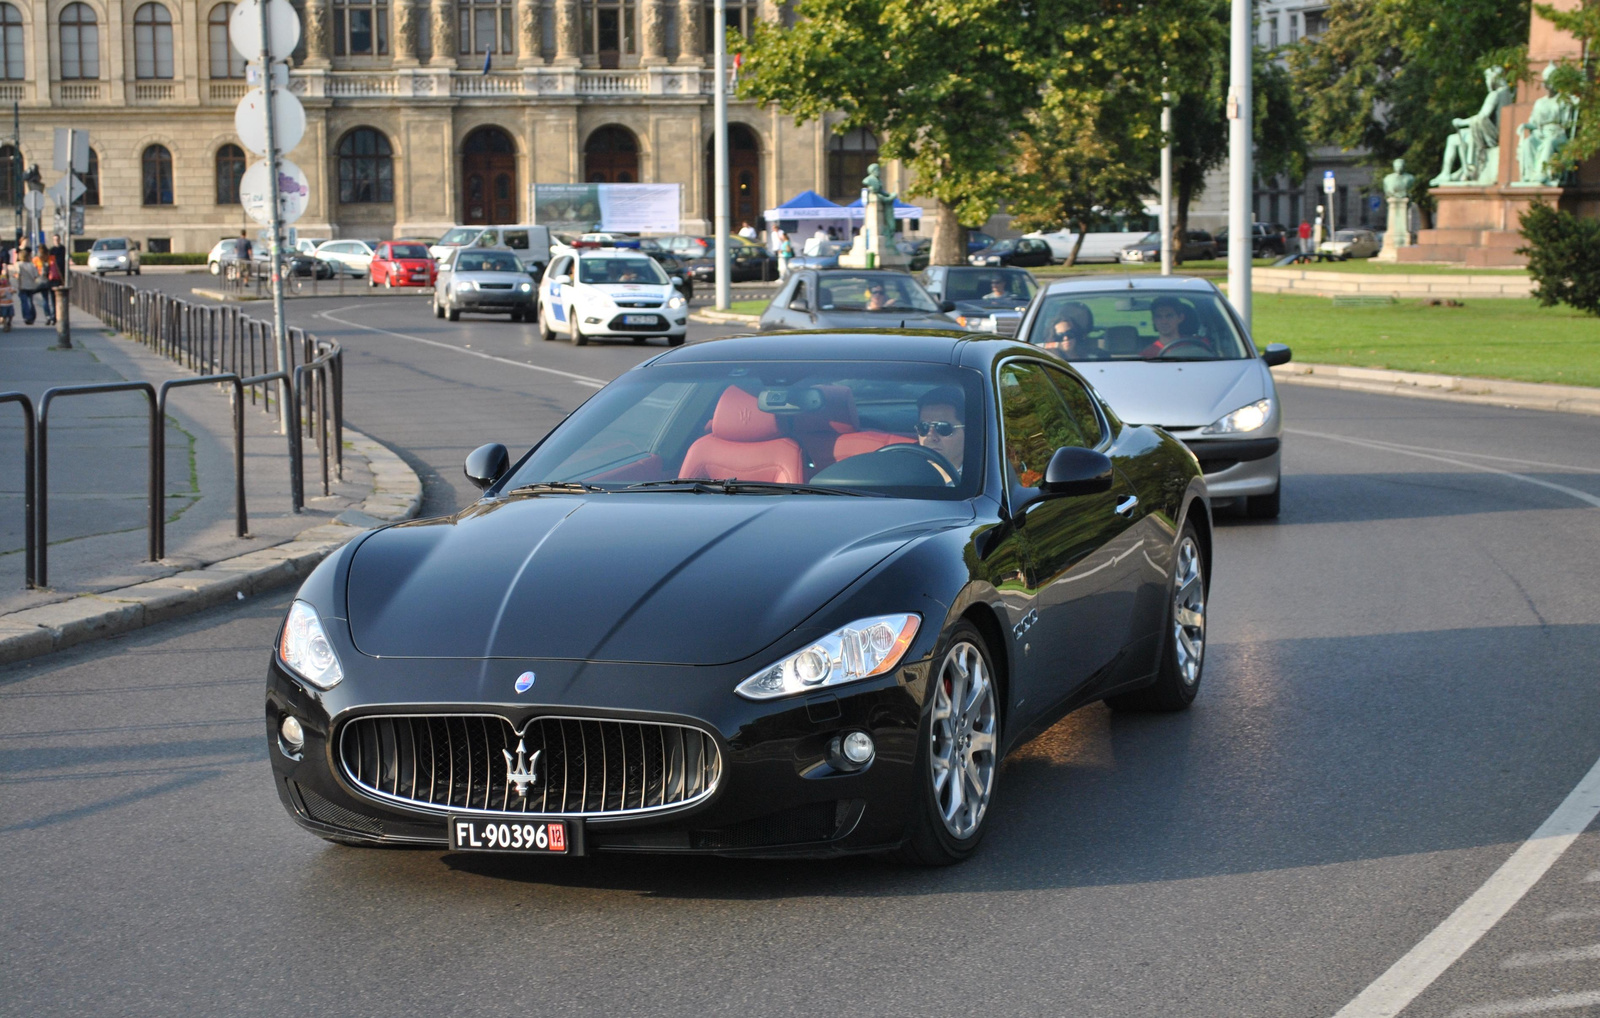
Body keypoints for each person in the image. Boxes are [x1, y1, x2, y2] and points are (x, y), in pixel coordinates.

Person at [915, 386, 966, 481]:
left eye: (943, 427)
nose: (930, 437)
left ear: (968, 432)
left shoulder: (985, 479)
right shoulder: (904, 473)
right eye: (924, 427)